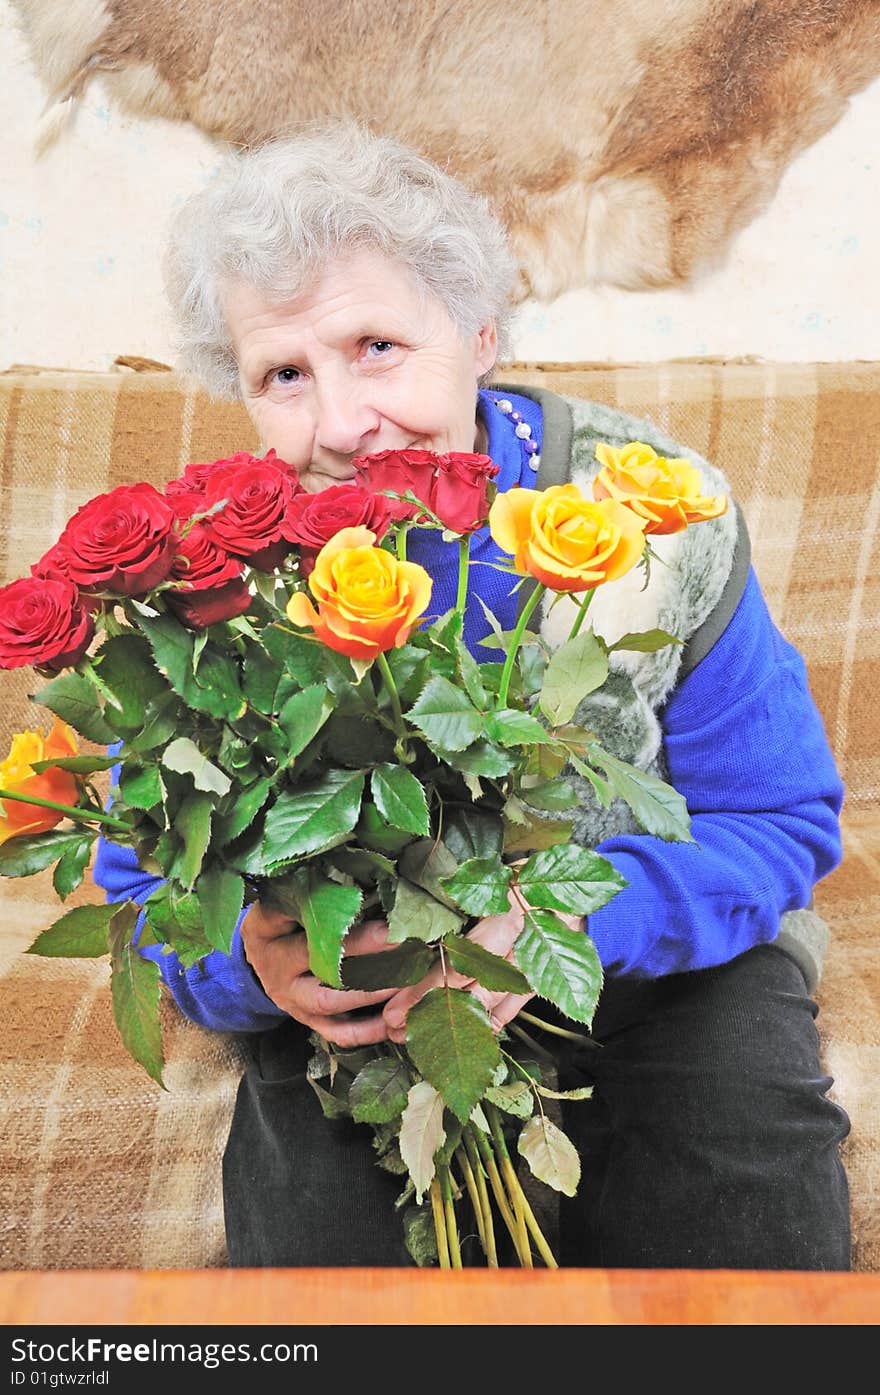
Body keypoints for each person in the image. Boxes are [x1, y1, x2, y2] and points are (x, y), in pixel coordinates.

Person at [94, 119, 851, 1271]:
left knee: (733, 1189)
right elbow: (141, 884)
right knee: (332, 1256)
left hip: (659, 962)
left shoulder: (649, 514)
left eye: (380, 346)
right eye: (284, 374)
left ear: (481, 330)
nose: (346, 424)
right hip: (364, 991)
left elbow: (777, 818)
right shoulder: (206, 581)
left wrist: (567, 920)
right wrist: (248, 961)